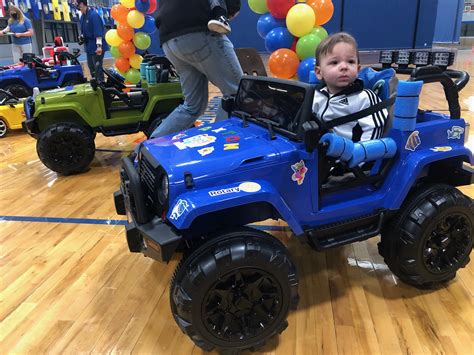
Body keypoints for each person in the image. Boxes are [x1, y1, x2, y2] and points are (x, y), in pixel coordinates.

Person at [149, 0, 243, 139]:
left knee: (192, 106)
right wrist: (228, 11)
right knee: (238, 94)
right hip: (198, 31)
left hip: (169, 40)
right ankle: (217, 145)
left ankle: (148, 148)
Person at [312, 32, 388, 142]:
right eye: (334, 62)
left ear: (358, 70)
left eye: (350, 61)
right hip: (319, 152)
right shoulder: (316, 95)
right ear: (319, 72)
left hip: (352, 155)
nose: (344, 67)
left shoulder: (365, 98)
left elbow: (374, 132)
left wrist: (358, 154)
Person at [76, 0, 108, 82]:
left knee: (97, 68)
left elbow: (98, 33)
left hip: (96, 46)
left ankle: (102, 86)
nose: (76, 6)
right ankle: (96, 86)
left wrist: (99, 47)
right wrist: (81, 37)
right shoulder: (83, 16)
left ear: (82, 4)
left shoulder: (94, 15)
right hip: (89, 46)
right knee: (91, 68)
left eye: (77, 4)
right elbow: (84, 31)